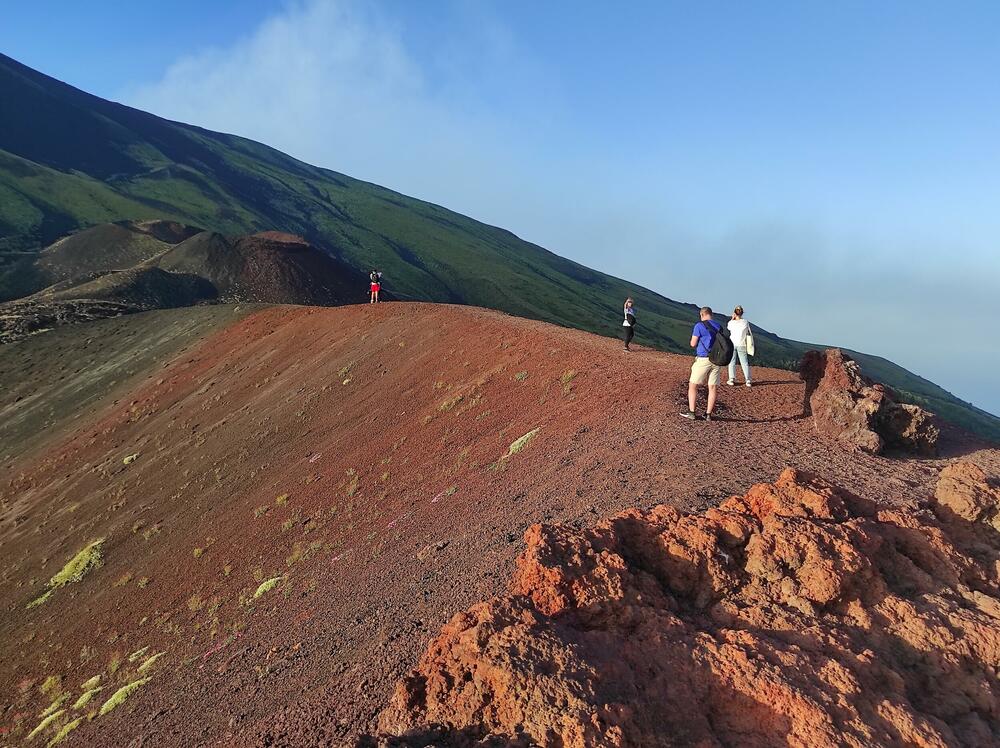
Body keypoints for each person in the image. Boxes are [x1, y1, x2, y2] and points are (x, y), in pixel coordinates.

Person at [681, 306, 722, 421]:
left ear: (702, 314)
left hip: (703, 358)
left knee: (693, 385)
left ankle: (692, 412)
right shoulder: (718, 326)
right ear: (711, 314)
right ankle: (708, 414)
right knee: (712, 387)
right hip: (716, 359)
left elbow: (693, 343)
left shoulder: (699, 326)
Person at [727, 305, 752, 387]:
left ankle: (731, 379)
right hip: (742, 344)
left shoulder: (731, 323)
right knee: (744, 363)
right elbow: (748, 332)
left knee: (731, 362)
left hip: (732, 343)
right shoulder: (745, 322)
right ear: (742, 313)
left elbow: (728, 328)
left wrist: (732, 318)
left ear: (735, 313)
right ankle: (748, 380)